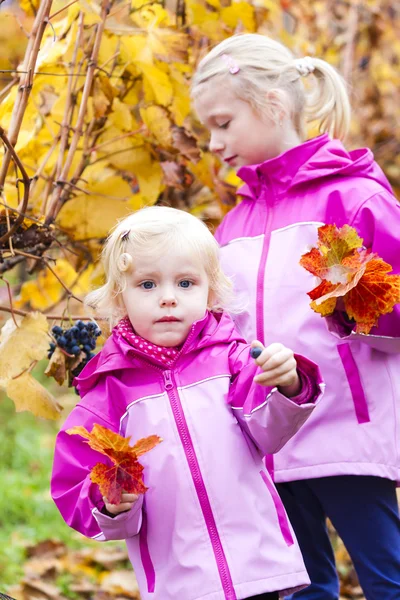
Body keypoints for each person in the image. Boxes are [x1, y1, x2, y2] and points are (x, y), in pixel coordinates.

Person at [192, 33, 400, 600]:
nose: (213, 143)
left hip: (345, 432)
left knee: (388, 577)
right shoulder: (233, 226)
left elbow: (395, 312)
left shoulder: (350, 199)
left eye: (223, 122)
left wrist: (353, 305)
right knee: (301, 585)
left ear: (274, 106)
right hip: (272, 438)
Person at [51, 206, 324, 600]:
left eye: (185, 283)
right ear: (118, 297)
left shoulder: (234, 359)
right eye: (147, 285)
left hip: (256, 561)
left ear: (210, 292)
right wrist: (111, 504)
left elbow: (270, 431)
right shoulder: (109, 392)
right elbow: (75, 480)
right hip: (178, 581)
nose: (167, 298)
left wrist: (288, 383)